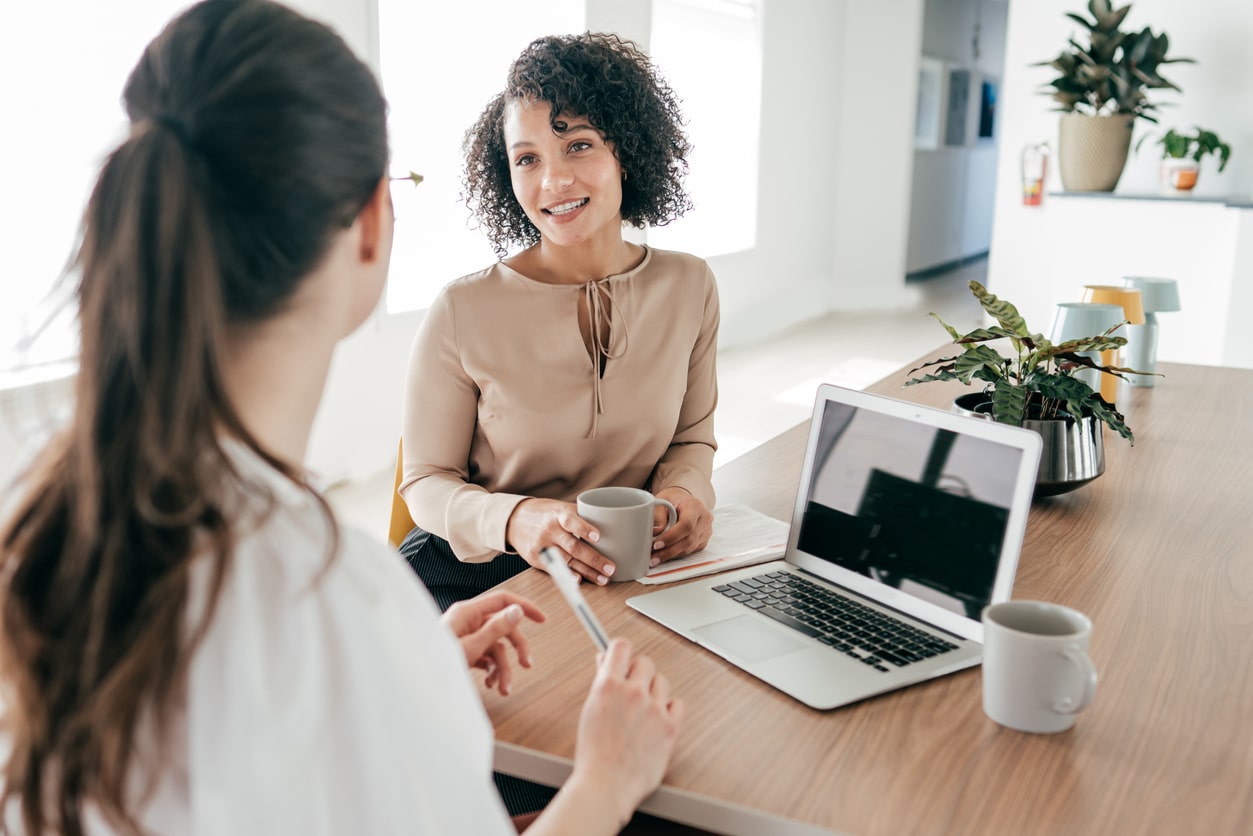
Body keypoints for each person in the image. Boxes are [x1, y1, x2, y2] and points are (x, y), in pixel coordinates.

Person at [0, 2, 682, 834]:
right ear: (369, 221)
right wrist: (606, 781)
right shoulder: (335, 596)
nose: (552, 180)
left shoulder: (32, 521)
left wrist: (411, 671)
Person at [399, 33, 719, 610]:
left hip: (626, 567)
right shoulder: (461, 310)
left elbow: (691, 438)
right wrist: (516, 518)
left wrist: (685, 494)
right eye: (528, 158)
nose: (553, 181)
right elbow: (424, 482)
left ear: (628, 148)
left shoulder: (690, 286)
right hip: (478, 571)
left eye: (577, 145)